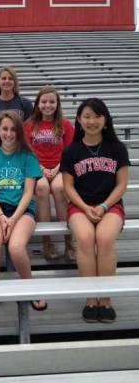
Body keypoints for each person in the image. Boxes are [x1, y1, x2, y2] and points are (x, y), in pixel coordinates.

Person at [61, 98, 129, 323]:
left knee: (105, 238)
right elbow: (68, 187)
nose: (92, 121)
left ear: (105, 120)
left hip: (109, 205)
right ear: (79, 120)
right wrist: (85, 207)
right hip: (79, 206)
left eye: (97, 116)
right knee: (85, 237)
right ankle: (91, 298)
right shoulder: (71, 151)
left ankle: (106, 299)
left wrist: (103, 206)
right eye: (87, 116)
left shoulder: (117, 148)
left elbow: (121, 185)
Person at [0, 111, 46, 313]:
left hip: (22, 211)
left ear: (19, 132)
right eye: (4, 129)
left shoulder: (28, 157)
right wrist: (1, 216)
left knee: (16, 248)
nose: (8, 134)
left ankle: (30, 288)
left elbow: (28, 192)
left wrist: (13, 219)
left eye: (13, 129)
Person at [24, 86, 75, 261]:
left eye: (51, 101)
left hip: (60, 167)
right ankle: (47, 241)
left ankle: (69, 241)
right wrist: (42, 169)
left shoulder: (66, 124)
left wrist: (58, 167)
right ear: (38, 104)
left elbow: (70, 151)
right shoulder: (29, 125)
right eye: (44, 101)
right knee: (42, 188)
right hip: (37, 168)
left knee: (60, 188)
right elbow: (27, 152)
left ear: (57, 104)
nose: (48, 105)